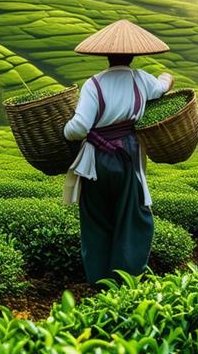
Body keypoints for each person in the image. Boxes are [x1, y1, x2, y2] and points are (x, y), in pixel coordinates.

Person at [62, 19, 175, 284]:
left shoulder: (93, 84)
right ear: (133, 55)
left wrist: (64, 132)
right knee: (132, 215)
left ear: (107, 56)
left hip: (95, 162)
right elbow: (161, 88)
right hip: (127, 155)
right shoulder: (141, 79)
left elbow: (79, 127)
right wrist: (167, 78)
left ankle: (99, 281)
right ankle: (126, 279)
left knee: (96, 218)